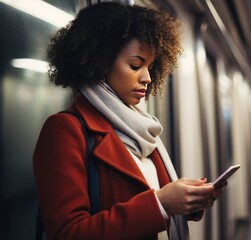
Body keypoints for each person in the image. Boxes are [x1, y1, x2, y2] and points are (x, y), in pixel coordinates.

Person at [33, 2, 225, 240]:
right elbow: (68, 233)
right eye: (136, 65)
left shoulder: (140, 128)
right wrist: (160, 204)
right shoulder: (64, 131)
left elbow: (156, 200)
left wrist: (188, 201)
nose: (147, 77)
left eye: (150, 67)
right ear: (101, 61)